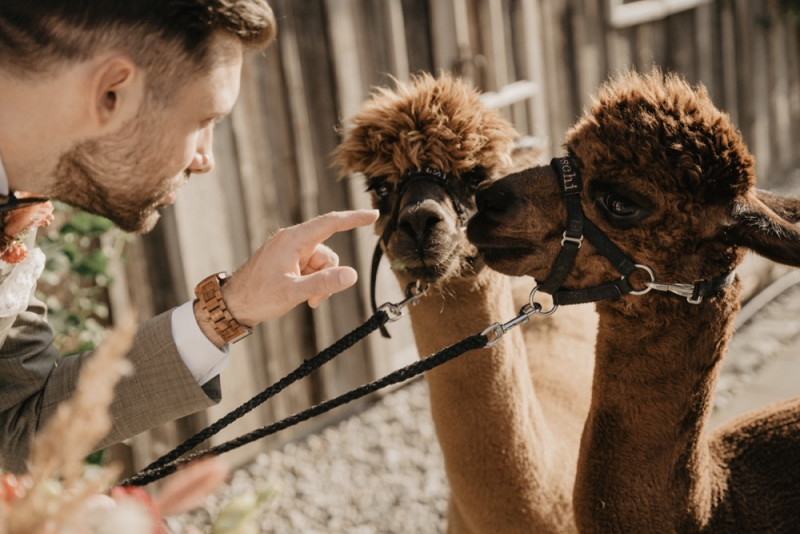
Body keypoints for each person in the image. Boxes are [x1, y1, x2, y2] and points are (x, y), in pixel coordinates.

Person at [0, 0, 378, 473]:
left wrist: (229, 309)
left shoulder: (15, 213)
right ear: (113, 93)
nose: (206, 158)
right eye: (204, 121)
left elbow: (19, 426)